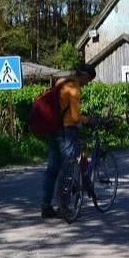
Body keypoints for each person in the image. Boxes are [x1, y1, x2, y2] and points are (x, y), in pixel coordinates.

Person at [41, 63, 98, 218]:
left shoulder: (62, 81)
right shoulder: (75, 88)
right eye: (89, 80)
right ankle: (63, 207)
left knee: (52, 167)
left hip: (52, 128)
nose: (87, 84)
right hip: (66, 131)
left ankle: (46, 206)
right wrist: (88, 120)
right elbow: (74, 117)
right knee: (69, 168)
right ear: (85, 76)